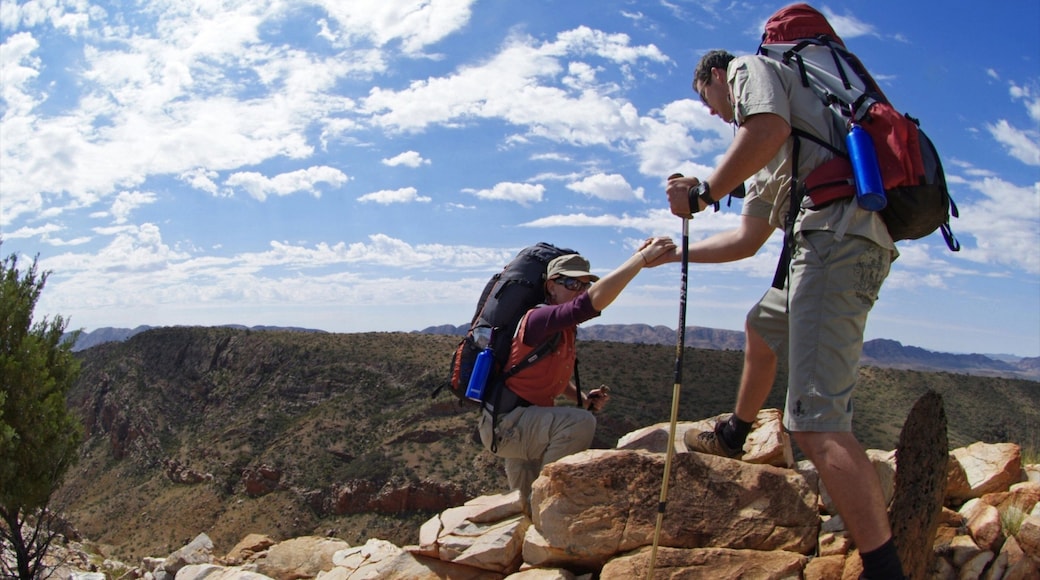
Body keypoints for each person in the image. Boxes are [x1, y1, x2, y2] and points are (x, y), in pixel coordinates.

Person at [661, 50, 905, 580]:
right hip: (824, 245)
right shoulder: (776, 150)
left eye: (706, 98)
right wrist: (677, 252)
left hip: (834, 243)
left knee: (815, 424)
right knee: (762, 323)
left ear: (717, 77)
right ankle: (735, 432)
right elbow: (748, 240)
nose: (711, 112)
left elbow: (764, 127)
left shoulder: (752, 70)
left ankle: (885, 571)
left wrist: (702, 192)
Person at [477, 237, 675, 515]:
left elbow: (547, 378)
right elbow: (588, 306)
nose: (579, 290)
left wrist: (582, 399)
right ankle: (556, 500)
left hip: (523, 426)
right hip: (509, 427)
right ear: (550, 286)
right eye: (571, 283)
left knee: (527, 511)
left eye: (584, 284)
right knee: (580, 425)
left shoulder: (560, 328)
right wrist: (639, 260)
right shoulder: (538, 319)